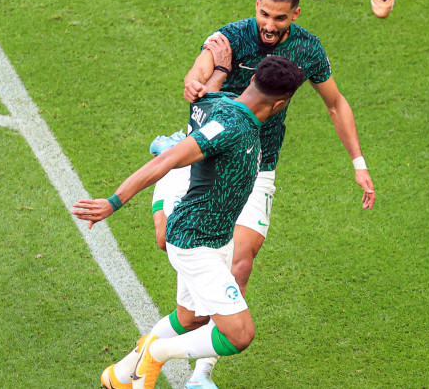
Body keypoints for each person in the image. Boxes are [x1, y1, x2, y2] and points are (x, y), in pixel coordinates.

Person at [138, 0, 375, 388]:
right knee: (170, 257)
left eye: (280, 18)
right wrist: (195, 84)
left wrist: (359, 164)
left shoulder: (307, 48)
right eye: (265, 14)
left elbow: (336, 104)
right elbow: (198, 71)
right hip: (210, 159)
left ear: (295, 15)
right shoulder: (231, 37)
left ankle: (200, 375)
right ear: (256, 6)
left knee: (239, 265)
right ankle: (168, 176)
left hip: (258, 166)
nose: (270, 25)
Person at [74, 57, 309, 389]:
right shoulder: (231, 128)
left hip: (217, 239)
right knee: (240, 333)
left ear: (253, 77)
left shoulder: (218, 102)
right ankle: (155, 353)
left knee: (192, 317)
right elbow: (169, 158)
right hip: (195, 242)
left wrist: (215, 73)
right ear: (282, 103)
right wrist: (112, 202)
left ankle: (120, 375)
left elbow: (203, 96)